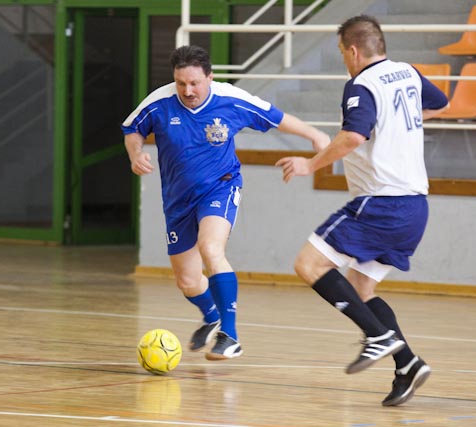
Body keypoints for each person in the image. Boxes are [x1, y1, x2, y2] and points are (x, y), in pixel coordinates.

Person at [276, 15, 449, 406]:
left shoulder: (362, 83)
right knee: (360, 289)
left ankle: (378, 336)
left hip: (381, 202)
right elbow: (442, 104)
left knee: (308, 264)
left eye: (342, 52)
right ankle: (407, 364)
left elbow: (353, 136)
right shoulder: (407, 72)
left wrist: (310, 164)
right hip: (415, 206)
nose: (344, 60)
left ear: (353, 50)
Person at [122, 45, 330, 360]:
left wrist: (314, 135)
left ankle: (230, 335)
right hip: (178, 199)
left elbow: (276, 117)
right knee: (188, 281)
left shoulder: (231, 99)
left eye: (194, 83)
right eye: (181, 83)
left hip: (220, 187)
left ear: (210, 77)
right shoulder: (159, 102)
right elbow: (132, 129)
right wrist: (136, 154)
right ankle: (212, 316)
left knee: (211, 248)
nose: (187, 91)